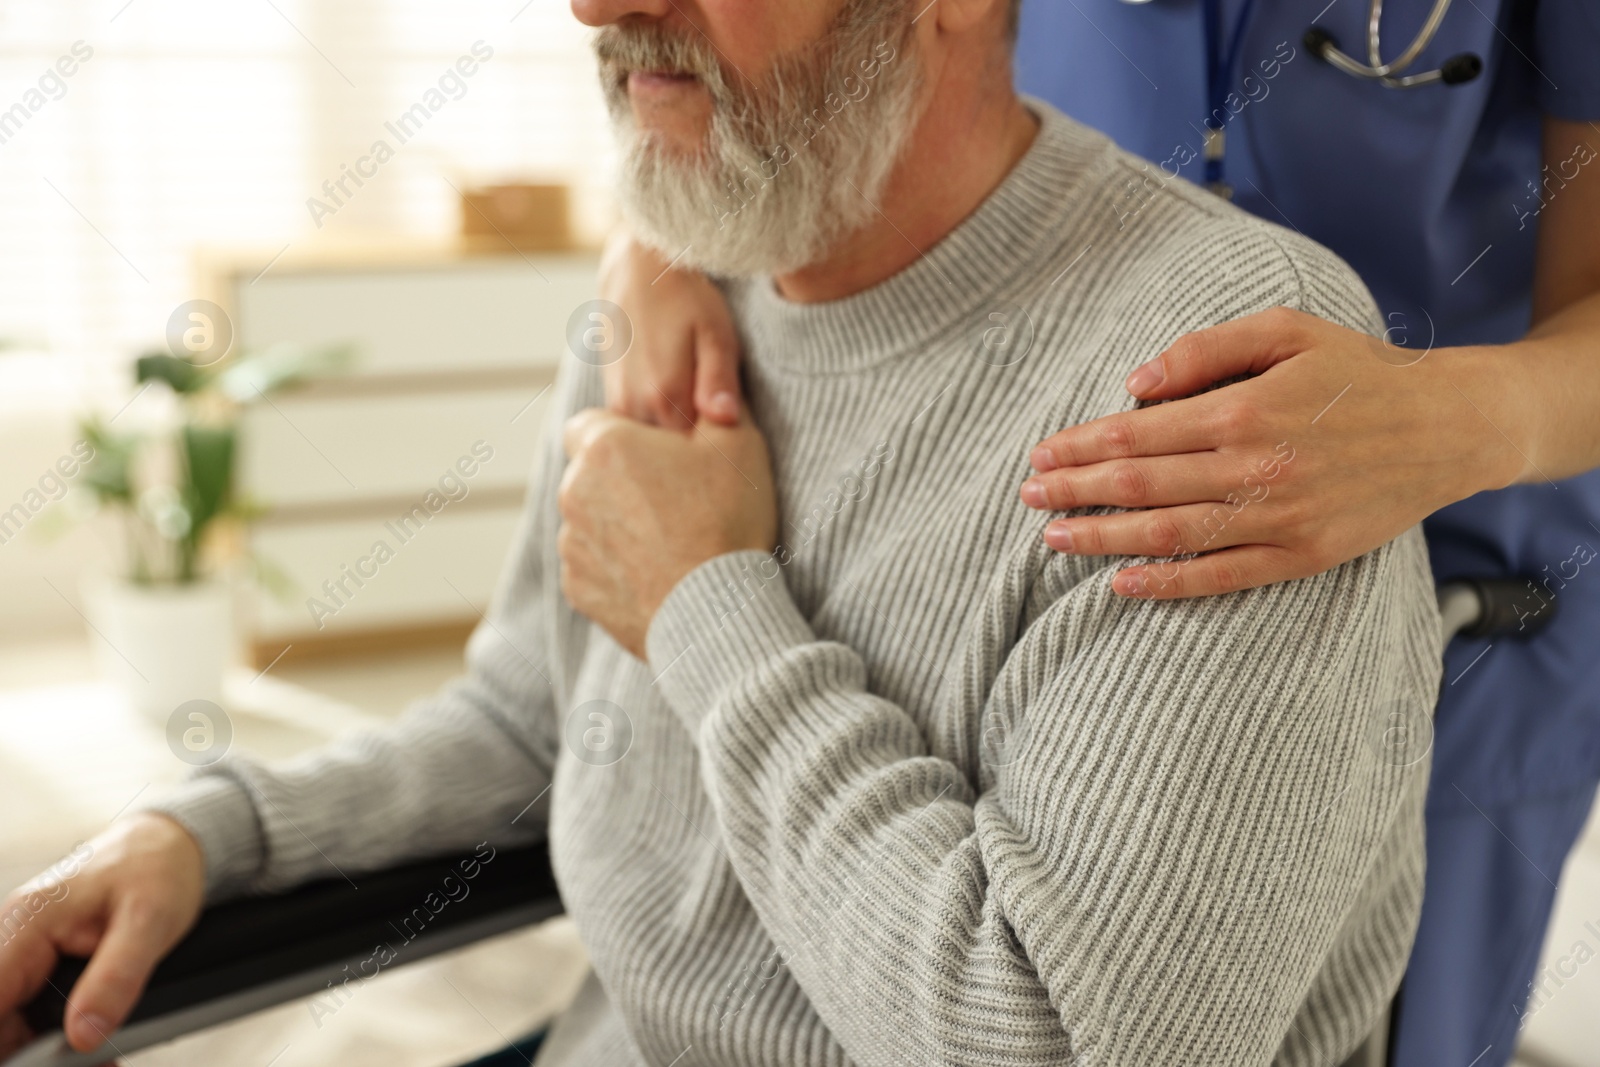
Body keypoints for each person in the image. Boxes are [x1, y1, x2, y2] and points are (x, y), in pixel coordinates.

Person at [2, 0, 1445, 1063]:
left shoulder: (1227, 386)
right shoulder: (688, 276)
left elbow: (1054, 1041)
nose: (596, 8)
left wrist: (705, 598)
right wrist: (213, 832)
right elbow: (535, 719)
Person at [599, 2, 1600, 1063]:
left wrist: (1451, 417)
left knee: (1410, 1032)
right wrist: (650, 248)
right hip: (1041, 469)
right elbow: (793, 71)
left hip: (1474, 553)